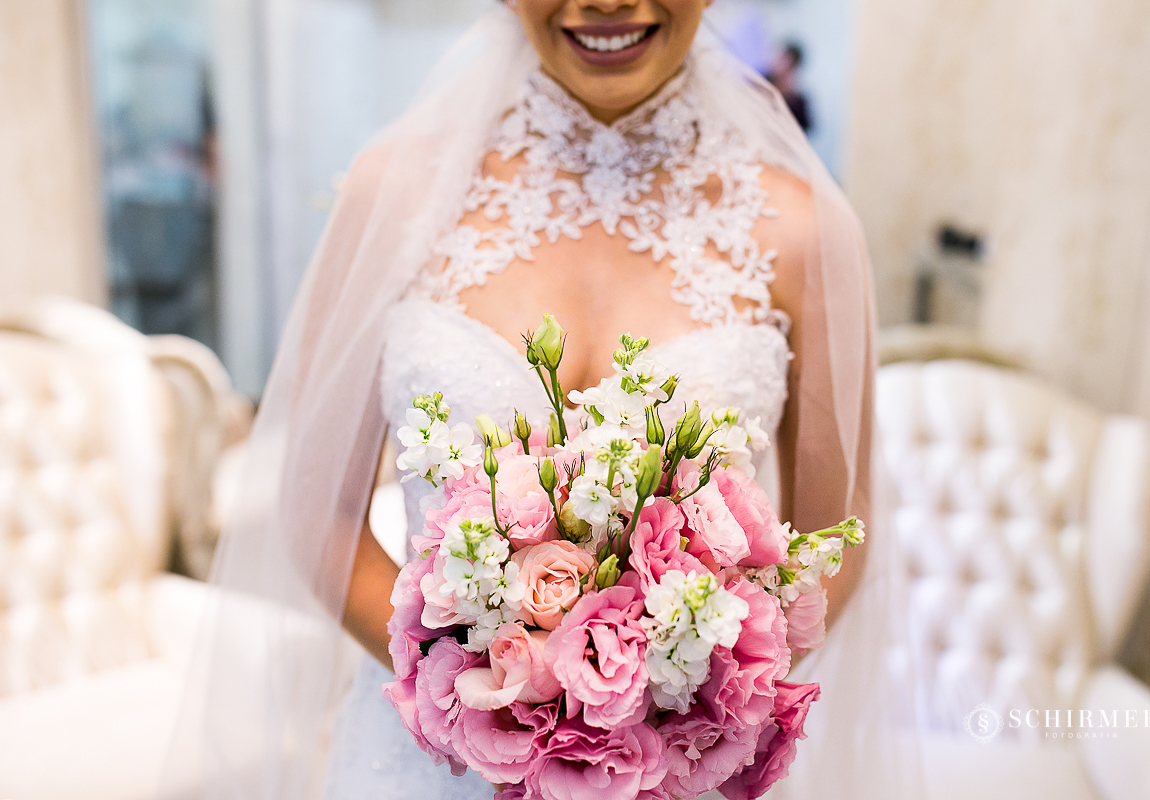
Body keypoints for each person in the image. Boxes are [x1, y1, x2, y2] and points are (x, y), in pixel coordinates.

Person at [162, 2, 922, 799]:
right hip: (432, 763)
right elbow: (318, 514)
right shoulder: (396, 194)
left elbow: (836, 542)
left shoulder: (805, 230)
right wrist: (480, 701)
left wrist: (671, 717)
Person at [766, 42, 813, 132]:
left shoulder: (798, 102)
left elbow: (805, 128)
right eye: (781, 59)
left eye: (789, 64)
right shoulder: (762, 83)